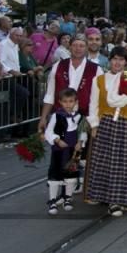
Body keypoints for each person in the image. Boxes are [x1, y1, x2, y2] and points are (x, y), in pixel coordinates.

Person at [85, 50, 127, 216]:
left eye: (121, 60)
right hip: (108, 123)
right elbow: (96, 104)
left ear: (126, 62)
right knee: (110, 163)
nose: (117, 63)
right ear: (110, 60)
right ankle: (112, 200)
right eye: (115, 59)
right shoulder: (99, 79)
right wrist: (94, 124)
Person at [43, 87, 85, 215]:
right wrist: (57, 140)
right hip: (59, 150)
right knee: (55, 174)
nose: (68, 104)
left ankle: (67, 197)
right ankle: (52, 200)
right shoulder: (57, 116)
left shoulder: (79, 116)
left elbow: (82, 131)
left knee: (71, 174)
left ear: (75, 102)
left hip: (73, 151)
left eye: (71, 101)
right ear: (60, 102)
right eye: (65, 101)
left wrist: (80, 142)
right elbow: (49, 131)